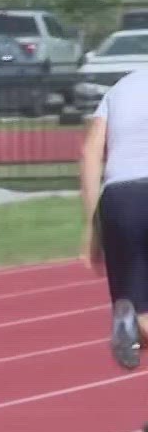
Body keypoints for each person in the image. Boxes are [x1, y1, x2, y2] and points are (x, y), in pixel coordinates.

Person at [80, 67, 148, 372]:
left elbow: (91, 150)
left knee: (141, 309)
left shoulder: (120, 87)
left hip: (119, 199)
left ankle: (133, 321)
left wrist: (93, 225)